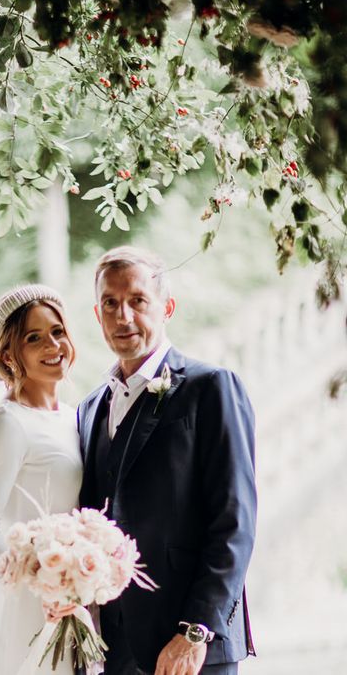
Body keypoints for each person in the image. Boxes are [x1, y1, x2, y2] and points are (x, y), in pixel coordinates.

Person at [77, 246, 256, 675]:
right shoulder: (88, 408)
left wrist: (196, 630)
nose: (123, 317)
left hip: (188, 649)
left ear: (167, 307)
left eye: (138, 301)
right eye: (110, 304)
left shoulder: (211, 387)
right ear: (97, 314)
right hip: (109, 649)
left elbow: (235, 521)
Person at [0, 284, 83, 674]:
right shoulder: (5, 424)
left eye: (57, 332)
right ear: (10, 355)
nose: (53, 345)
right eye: (34, 338)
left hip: (71, 600)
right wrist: (41, 578)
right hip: (23, 605)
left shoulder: (74, 417)